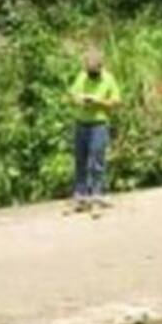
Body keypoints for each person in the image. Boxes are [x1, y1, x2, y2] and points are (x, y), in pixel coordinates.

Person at [67, 46, 122, 211]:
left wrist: (99, 101)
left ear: (100, 67)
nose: (91, 75)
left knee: (97, 161)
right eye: (89, 71)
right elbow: (71, 94)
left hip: (98, 124)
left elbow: (117, 101)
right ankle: (81, 196)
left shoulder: (108, 79)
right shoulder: (82, 77)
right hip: (81, 123)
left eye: (94, 72)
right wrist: (79, 99)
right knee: (80, 160)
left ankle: (98, 194)